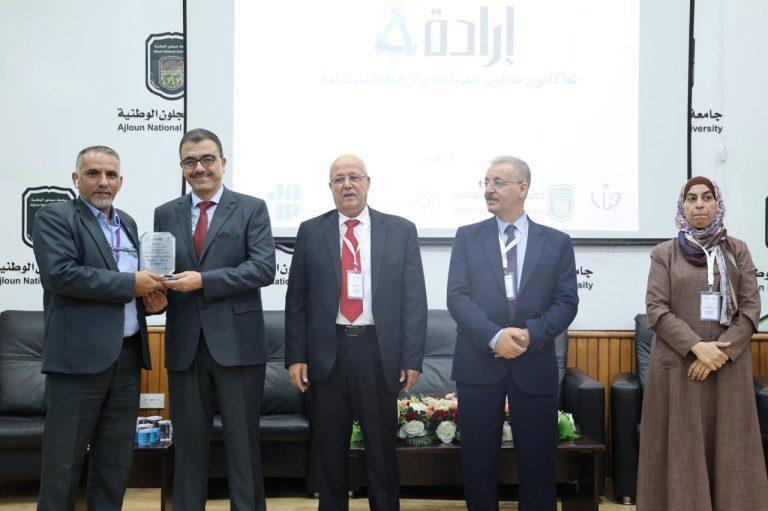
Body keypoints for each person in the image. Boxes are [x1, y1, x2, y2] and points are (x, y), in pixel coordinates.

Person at [285, 154, 427, 511]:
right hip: (327, 354)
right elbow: (297, 299)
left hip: (377, 353)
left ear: (368, 183)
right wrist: (296, 356)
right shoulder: (310, 231)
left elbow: (414, 301)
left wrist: (411, 357)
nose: (347, 185)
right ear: (330, 187)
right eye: (339, 179)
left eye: (354, 177)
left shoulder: (401, 230)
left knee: (381, 451)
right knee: (329, 453)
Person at [33, 145, 166, 510]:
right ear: (76, 178)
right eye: (93, 173)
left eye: (111, 175)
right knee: (62, 466)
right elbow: (62, 275)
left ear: (121, 181)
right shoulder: (55, 216)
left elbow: (130, 289)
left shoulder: (128, 224)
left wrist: (151, 301)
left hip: (127, 359)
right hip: (76, 363)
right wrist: (132, 284)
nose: (103, 182)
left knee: (114, 464)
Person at [154, 129, 276, 511]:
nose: (200, 168)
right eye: (190, 161)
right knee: (188, 449)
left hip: (238, 345)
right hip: (185, 347)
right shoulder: (165, 213)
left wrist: (203, 281)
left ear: (223, 162)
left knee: (243, 448)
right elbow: (160, 269)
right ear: (181, 167)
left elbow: (263, 268)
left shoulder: (251, 208)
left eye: (207, 159)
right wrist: (154, 290)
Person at [447, 156, 578, 511]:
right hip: (478, 363)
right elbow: (457, 297)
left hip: (533, 364)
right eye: (487, 182)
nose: (489, 189)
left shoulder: (557, 242)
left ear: (523, 189)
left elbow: (567, 302)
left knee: (538, 462)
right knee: (477, 462)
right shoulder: (467, 237)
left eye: (498, 182)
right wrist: (494, 336)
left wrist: (528, 335)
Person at [637, 176, 768, 509]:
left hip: (728, 368)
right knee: (681, 448)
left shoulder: (737, 250)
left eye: (707, 198)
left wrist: (719, 353)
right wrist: (698, 348)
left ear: (718, 205)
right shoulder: (664, 253)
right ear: (682, 207)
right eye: (691, 198)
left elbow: (751, 309)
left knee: (731, 447)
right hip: (679, 367)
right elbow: (656, 309)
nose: (699, 205)